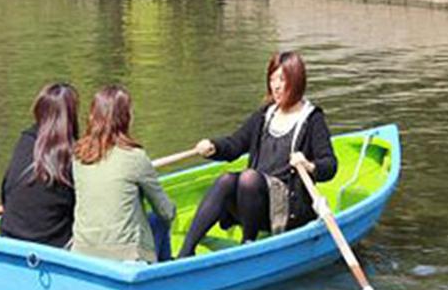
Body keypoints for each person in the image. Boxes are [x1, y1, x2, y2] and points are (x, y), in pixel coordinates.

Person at [177, 51, 337, 258]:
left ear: (296, 81)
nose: (276, 86)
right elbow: (235, 144)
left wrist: (309, 165)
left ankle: (248, 244)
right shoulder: (266, 114)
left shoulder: (312, 118)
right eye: (272, 79)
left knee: (248, 178)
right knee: (226, 180)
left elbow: (330, 165)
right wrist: (213, 147)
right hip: (254, 203)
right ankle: (185, 252)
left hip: (288, 209)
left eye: (282, 79)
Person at [71, 85, 176, 263]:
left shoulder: (78, 156)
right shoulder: (135, 157)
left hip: (82, 252)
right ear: (126, 118)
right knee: (160, 221)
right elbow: (166, 211)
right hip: (126, 256)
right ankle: (166, 274)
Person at [0, 83, 79, 248]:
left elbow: (5, 190)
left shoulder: (24, 141)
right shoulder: (71, 153)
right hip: (51, 243)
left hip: (9, 235)